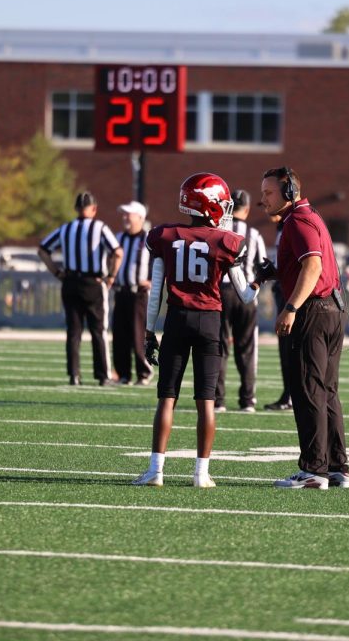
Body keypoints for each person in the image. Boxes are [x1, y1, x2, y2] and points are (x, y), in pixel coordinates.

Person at [131, 173, 259, 488]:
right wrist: (262, 279)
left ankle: (155, 471)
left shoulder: (165, 235)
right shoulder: (228, 242)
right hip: (210, 323)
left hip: (177, 320)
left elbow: (156, 291)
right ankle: (201, 474)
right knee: (206, 401)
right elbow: (245, 295)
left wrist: (149, 333)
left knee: (167, 398)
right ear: (212, 205)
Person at [259, 166, 349, 489]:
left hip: (313, 311)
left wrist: (291, 307)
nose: (264, 199)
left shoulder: (297, 221)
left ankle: (314, 469)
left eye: (269, 193)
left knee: (309, 390)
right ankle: (337, 466)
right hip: (332, 310)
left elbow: (313, 266)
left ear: (288, 192)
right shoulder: (308, 217)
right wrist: (273, 272)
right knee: (326, 392)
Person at [39, 192, 123, 386]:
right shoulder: (99, 227)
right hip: (93, 283)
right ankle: (103, 376)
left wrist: (57, 272)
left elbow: (43, 250)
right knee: (98, 331)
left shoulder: (66, 228)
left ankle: (74, 375)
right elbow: (117, 252)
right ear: (94, 209)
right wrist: (111, 276)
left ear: (76, 209)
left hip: (70, 282)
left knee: (74, 331)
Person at [216, 189, 267, 413]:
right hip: (245, 294)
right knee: (246, 348)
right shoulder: (253, 234)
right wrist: (254, 287)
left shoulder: (218, 232)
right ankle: (247, 400)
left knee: (219, 348)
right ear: (246, 209)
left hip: (221, 294)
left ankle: (218, 401)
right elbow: (263, 266)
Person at [112, 200, 153, 385]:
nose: (125, 218)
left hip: (139, 294)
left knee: (138, 335)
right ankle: (123, 374)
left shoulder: (149, 239)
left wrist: (152, 280)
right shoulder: (118, 238)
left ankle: (144, 372)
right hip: (121, 292)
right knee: (119, 335)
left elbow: (162, 263)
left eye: (129, 214)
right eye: (124, 214)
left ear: (140, 218)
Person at [262, 212, 293, 411]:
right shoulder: (282, 228)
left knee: (290, 346)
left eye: (269, 196)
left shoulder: (292, 227)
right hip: (282, 291)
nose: (266, 206)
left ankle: (291, 395)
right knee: (284, 346)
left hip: (290, 295)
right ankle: (288, 394)